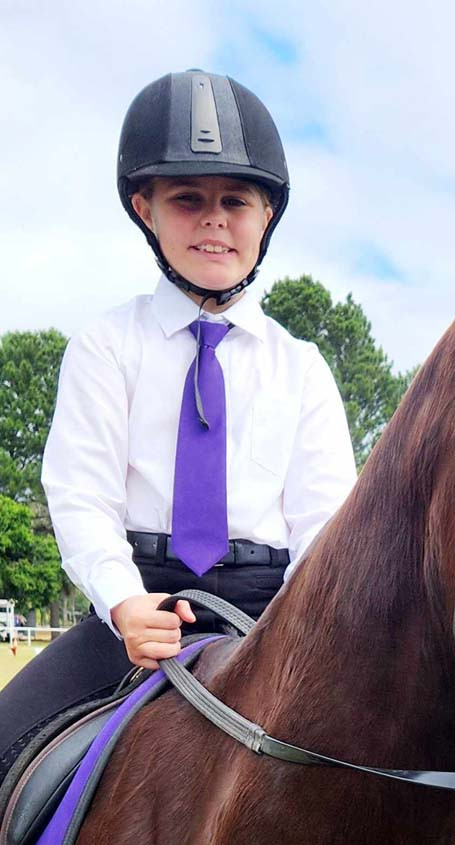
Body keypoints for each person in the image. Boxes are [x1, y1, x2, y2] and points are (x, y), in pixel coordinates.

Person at [0, 70, 355, 781]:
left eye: (235, 201)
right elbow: (80, 494)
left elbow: (325, 521)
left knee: (427, 785)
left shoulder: (302, 366)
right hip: (137, 602)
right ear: (146, 208)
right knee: (3, 741)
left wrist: (301, 626)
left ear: (266, 217)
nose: (214, 220)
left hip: (270, 608)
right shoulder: (107, 346)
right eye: (187, 199)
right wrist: (125, 601)